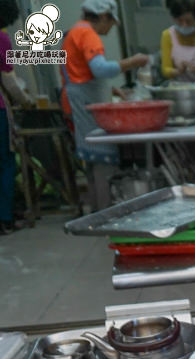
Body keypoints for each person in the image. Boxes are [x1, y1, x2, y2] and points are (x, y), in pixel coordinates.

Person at [61, 0, 148, 211]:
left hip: (79, 101)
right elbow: (100, 69)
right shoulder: (87, 33)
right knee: (102, 160)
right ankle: (107, 214)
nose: (110, 28)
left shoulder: (74, 31)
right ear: (102, 16)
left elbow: (82, 72)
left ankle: (97, 213)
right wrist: (133, 61)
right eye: (110, 22)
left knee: (91, 161)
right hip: (88, 105)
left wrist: (110, 90)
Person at [0, 0, 34, 233]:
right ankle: (5, 218)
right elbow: (9, 80)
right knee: (5, 163)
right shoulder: (1, 39)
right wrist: (26, 101)